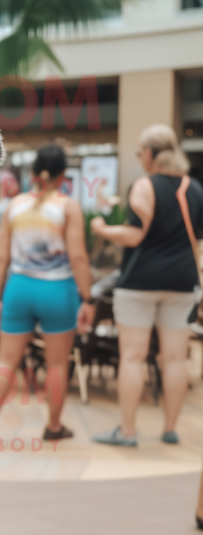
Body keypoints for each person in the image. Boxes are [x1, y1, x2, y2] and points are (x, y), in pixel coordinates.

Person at [91, 124, 203, 447]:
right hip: (183, 281)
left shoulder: (144, 186)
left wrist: (102, 228)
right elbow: (195, 239)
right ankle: (170, 428)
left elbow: (135, 234)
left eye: (141, 153)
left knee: (133, 357)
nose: (140, 158)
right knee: (175, 358)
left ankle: (127, 432)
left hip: (140, 281)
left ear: (151, 154)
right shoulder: (194, 188)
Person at [0, 144, 96, 440]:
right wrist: (88, 298)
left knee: (5, 359)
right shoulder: (67, 206)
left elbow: (1, 258)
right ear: (64, 175)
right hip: (57, 290)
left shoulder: (14, 205)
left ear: (34, 172)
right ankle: (54, 426)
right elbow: (78, 258)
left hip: (18, 289)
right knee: (57, 363)